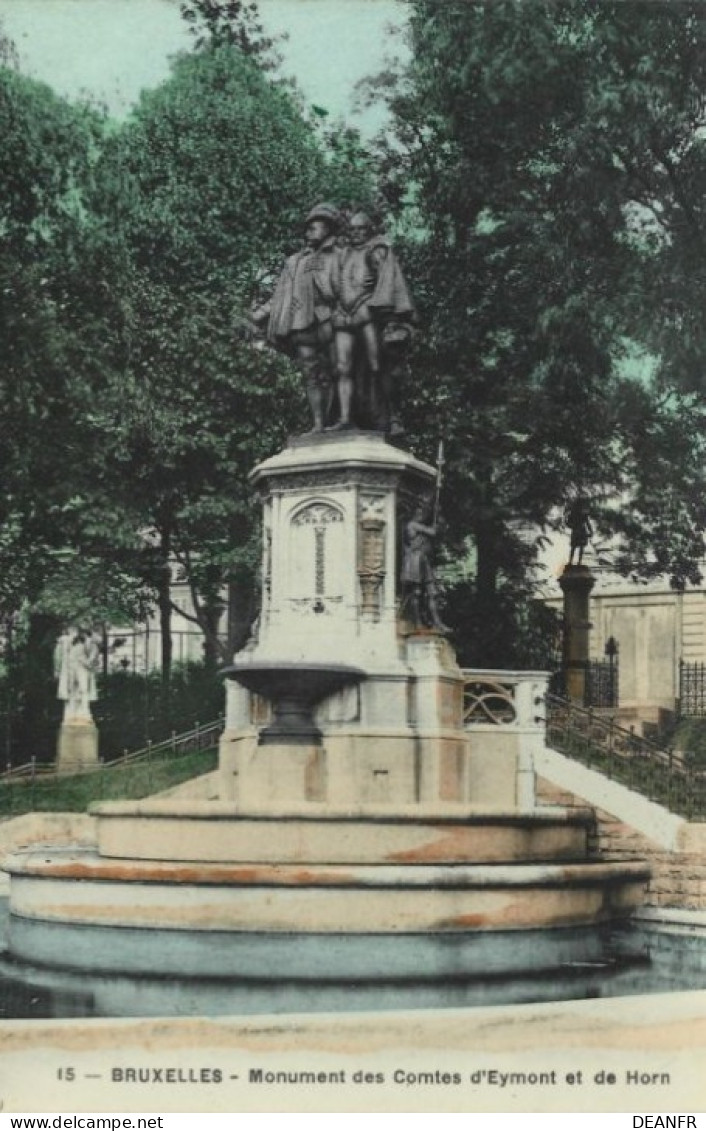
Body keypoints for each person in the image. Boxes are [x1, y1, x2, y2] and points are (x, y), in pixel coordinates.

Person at [331, 210, 415, 432]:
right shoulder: (342, 254)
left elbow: (388, 282)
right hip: (342, 314)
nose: (356, 233)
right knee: (342, 368)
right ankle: (345, 417)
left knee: (377, 366)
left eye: (360, 229)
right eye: (352, 230)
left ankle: (392, 416)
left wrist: (389, 316)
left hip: (367, 312)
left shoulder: (376, 251)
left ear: (369, 231)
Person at [262, 202, 342, 433]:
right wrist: (258, 315)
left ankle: (338, 420)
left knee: (337, 370)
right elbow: (280, 297)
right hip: (301, 321)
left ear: (328, 228)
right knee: (310, 372)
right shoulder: (295, 261)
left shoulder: (340, 255)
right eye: (307, 228)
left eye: (314, 227)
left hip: (331, 319)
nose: (309, 232)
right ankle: (318, 424)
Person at [400, 504, 450, 633]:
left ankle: (436, 622)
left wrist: (438, 519)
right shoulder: (412, 525)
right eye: (419, 513)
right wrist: (437, 517)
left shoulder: (418, 526)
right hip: (415, 560)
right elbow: (432, 532)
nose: (422, 515)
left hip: (423, 560)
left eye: (422, 513)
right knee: (416, 593)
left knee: (432, 592)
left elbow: (436, 533)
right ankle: (417, 622)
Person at [55, 626, 100, 722]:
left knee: (84, 689)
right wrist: (58, 669)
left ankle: (85, 712)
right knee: (71, 690)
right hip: (70, 668)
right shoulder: (65, 641)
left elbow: (94, 651)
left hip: (82, 667)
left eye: (75, 630)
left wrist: (87, 662)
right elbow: (59, 655)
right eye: (71, 630)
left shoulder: (87, 641)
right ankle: (70, 713)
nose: (73, 632)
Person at [567, 498, 593, 565]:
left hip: (582, 531)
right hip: (576, 531)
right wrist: (573, 526)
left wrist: (591, 531)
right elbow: (568, 523)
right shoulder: (572, 514)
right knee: (573, 547)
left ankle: (579, 562)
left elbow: (587, 523)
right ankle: (570, 561)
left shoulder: (584, 514)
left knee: (581, 547)